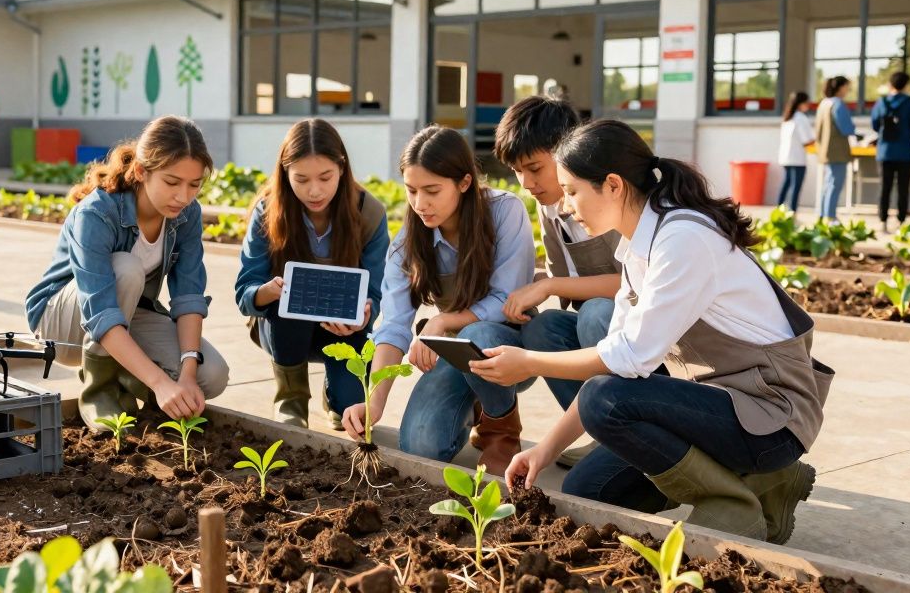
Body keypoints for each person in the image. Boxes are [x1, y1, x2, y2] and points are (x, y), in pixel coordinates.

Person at [494, 119, 833, 543]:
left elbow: (625, 361)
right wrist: (545, 451)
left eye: (572, 190)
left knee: (605, 398)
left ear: (613, 185)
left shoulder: (683, 240)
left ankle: (737, 506)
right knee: (589, 491)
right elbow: (617, 357)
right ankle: (769, 482)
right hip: (724, 405)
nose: (565, 206)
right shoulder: (639, 246)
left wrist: (526, 361)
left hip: (771, 417)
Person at [342, 126, 535, 475]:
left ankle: (500, 431)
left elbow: (507, 299)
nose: (420, 204)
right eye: (411, 191)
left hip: (512, 349)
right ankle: (477, 403)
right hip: (458, 352)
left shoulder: (505, 212)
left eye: (432, 191)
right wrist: (374, 403)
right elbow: (394, 324)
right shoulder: (407, 243)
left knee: (482, 335)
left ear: (463, 183)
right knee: (421, 444)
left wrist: (444, 320)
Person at [26, 116, 229, 426]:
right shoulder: (97, 213)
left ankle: (128, 376)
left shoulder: (187, 214)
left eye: (194, 185)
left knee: (211, 375)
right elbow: (101, 311)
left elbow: (188, 294)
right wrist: (161, 383)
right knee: (126, 268)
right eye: (172, 182)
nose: (183, 196)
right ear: (141, 172)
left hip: (129, 313)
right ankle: (99, 392)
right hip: (63, 324)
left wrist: (187, 373)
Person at [487, 96, 620, 465]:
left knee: (595, 313)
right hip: (603, 330)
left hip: (646, 339)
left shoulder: (609, 192)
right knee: (543, 329)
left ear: (566, 150)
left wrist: (548, 286)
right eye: (517, 171)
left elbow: (631, 284)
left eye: (534, 168)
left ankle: (625, 429)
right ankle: (599, 432)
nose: (526, 183)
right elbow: (565, 279)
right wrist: (531, 286)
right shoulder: (548, 206)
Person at [235, 119, 389, 430]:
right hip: (285, 329)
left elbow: (375, 290)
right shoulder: (269, 211)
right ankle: (290, 399)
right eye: (301, 179)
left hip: (345, 328)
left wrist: (364, 315)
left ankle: (335, 394)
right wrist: (270, 291)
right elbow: (244, 292)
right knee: (288, 302)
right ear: (285, 172)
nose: (314, 190)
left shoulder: (369, 212)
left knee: (349, 412)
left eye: (325, 177)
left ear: (342, 169)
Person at [870, 72, 910, 233]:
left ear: (890, 84)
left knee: (884, 187)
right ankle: (901, 221)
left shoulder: (881, 102)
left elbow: (874, 125)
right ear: (906, 85)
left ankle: (883, 220)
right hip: (906, 152)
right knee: (904, 187)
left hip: (885, 151)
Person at [814, 77, 854, 222]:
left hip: (824, 149)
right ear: (841, 87)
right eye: (847, 87)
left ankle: (823, 216)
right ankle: (830, 217)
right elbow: (847, 128)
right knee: (835, 184)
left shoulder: (824, 103)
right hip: (837, 151)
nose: (848, 90)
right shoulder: (838, 104)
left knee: (827, 184)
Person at [776, 92, 813, 213]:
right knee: (795, 187)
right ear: (800, 103)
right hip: (797, 158)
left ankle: (778, 211)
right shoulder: (801, 118)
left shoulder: (787, 117)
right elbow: (806, 140)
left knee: (786, 184)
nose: (808, 105)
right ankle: (792, 213)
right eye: (807, 103)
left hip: (786, 157)